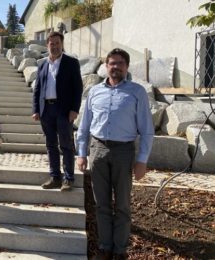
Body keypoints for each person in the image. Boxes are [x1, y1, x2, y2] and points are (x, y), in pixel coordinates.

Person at [76, 48, 154, 260]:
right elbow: (84, 126)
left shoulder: (137, 92)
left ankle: (119, 250)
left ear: (127, 67)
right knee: (101, 204)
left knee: (122, 204)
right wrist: (81, 153)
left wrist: (142, 160)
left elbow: (147, 129)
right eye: (112, 63)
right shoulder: (94, 91)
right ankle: (104, 247)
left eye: (120, 63)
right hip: (98, 150)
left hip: (123, 152)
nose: (115, 67)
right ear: (106, 66)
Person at [32, 31, 83, 192]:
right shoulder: (42, 64)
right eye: (51, 43)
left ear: (62, 44)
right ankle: (55, 177)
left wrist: (75, 109)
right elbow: (37, 89)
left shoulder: (71, 63)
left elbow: (78, 88)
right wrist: (36, 109)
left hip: (64, 110)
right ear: (47, 45)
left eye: (57, 43)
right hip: (46, 110)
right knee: (51, 145)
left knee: (66, 145)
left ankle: (68, 179)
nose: (54, 46)